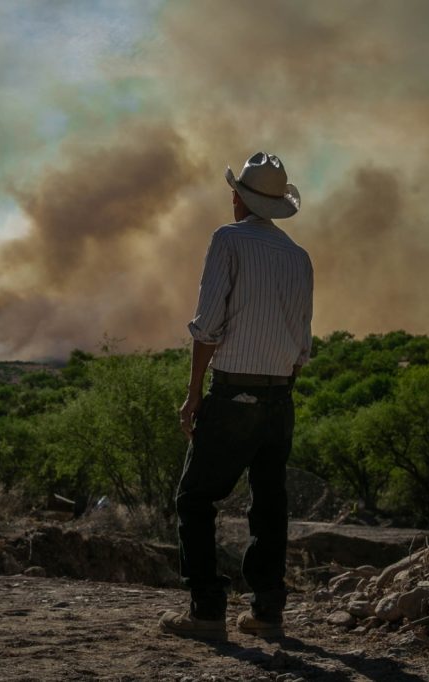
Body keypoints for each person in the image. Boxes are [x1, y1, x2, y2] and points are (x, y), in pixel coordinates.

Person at [158, 152, 314, 641]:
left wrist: (193, 394)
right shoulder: (299, 256)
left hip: (235, 393)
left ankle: (206, 610)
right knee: (269, 502)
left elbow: (207, 326)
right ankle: (267, 612)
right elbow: (301, 347)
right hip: (280, 399)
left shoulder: (227, 240)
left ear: (237, 197)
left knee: (195, 498)